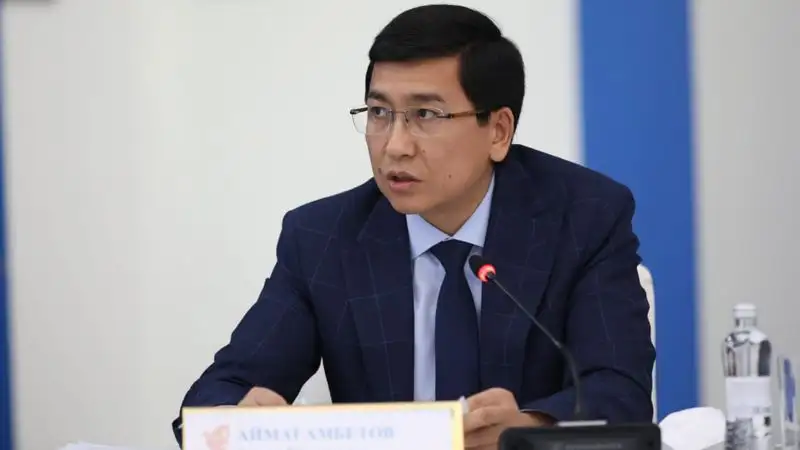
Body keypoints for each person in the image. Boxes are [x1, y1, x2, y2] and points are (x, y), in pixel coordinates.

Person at [173, 4, 655, 449]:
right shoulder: (323, 238)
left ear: (498, 131)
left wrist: (530, 428)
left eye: (426, 114)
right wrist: (236, 419)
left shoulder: (584, 218)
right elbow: (220, 391)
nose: (395, 146)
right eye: (380, 113)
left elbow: (619, 392)